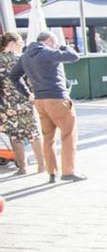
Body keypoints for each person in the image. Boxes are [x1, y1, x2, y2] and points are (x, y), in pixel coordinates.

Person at [9, 31, 85, 182]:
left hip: (39, 101)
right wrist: (63, 46)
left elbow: (14, 76)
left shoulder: (25, 56)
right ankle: (68, 172)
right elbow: (74, 56)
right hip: (57, 98)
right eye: (54, 42)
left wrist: (27, 93)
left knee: (48, 138)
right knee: (68, 135)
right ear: (49, 40)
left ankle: (52, 172)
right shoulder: (48, 53)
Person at [0, 32, 45, 176]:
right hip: (24, 100)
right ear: (12, 43)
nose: (21, 45)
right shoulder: (22, 59)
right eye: (20, 42)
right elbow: (31, 80)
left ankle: (22, 167)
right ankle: (41, 165)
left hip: (6, 104)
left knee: (14, 135)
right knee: (33, 133)